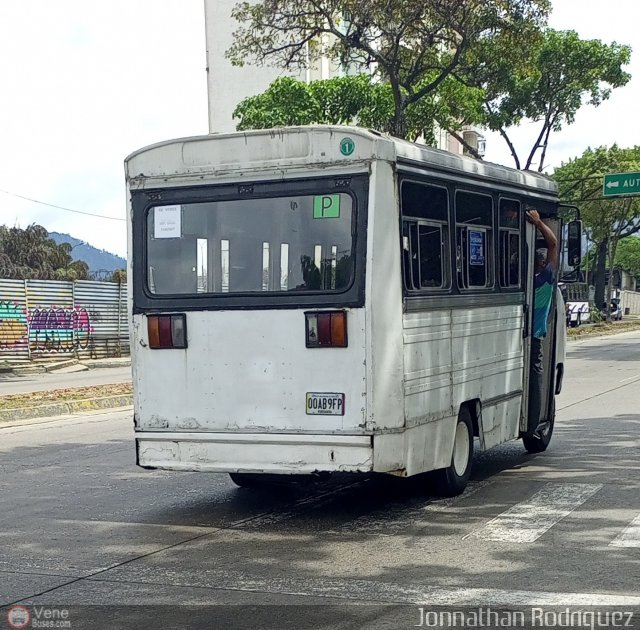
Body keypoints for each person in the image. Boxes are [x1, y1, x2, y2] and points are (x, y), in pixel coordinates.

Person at [525, 209, 558, 436]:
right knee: (535, 376)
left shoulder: (528, 281)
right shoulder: (546, 279)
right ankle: (533, 425)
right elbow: (553, 244)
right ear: (542, 263)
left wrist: (537, 222)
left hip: (524, 334)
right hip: (535, 335)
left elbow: (553, 245)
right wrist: (537, 224)